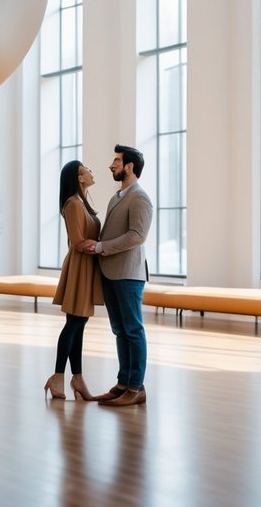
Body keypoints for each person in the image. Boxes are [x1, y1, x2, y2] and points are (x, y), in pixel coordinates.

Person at [78, 144, 153, 407]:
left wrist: (99, 247)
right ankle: (123, 383)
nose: (111, 165)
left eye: (117, 161)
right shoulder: (117, 197)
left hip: (129, 275)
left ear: (129, 167)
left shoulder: (139, 197)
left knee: (133, 330)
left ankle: (136, 387)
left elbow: (137, 236)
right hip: (110, 272)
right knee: (120, 331)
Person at [44, 160, 104, 401]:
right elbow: (78, 242)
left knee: (79, 322)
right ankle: (58, 375)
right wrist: (100, 247)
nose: (91, 171)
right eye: (87, 169)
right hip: (80, 266)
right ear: (79, 177)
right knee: (74, 323)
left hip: (87, 266)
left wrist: (97, 246)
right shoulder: (73, 204)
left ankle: (76, 378)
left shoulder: (83, 203)